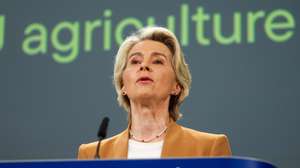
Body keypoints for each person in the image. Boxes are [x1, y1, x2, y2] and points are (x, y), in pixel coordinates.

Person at [77, 26, 231, 159]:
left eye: (157, 61)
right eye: (135, 61)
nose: (144, 66)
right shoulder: (93, 154)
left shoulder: (209, 148)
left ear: (176, 85)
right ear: (123, 84)